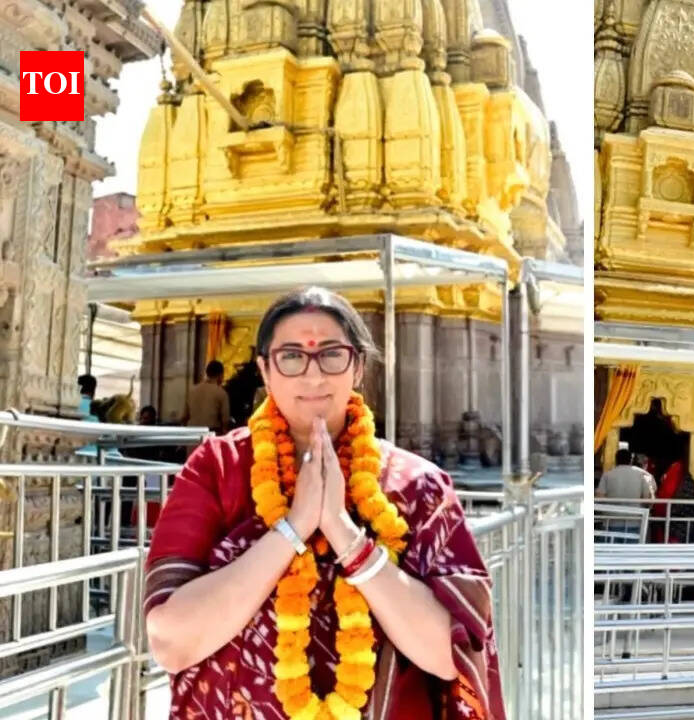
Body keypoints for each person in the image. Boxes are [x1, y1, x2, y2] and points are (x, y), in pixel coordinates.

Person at [144, 287, 502, 720]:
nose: (313, 376)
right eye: (291, 357)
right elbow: (170, 642)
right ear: (264, 369)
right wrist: (293, 529)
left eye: (332, 355)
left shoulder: (418, 487)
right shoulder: (217, 470)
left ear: (358, 367)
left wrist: (345, 535)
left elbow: (453, 658)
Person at [181, 360, 231, 435]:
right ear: (220, 375)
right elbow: (225, 421)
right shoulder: (221, 393)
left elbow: (184, 417)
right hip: (211, 434)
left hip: (192, 433)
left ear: (207, 373)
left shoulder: (192, 391)